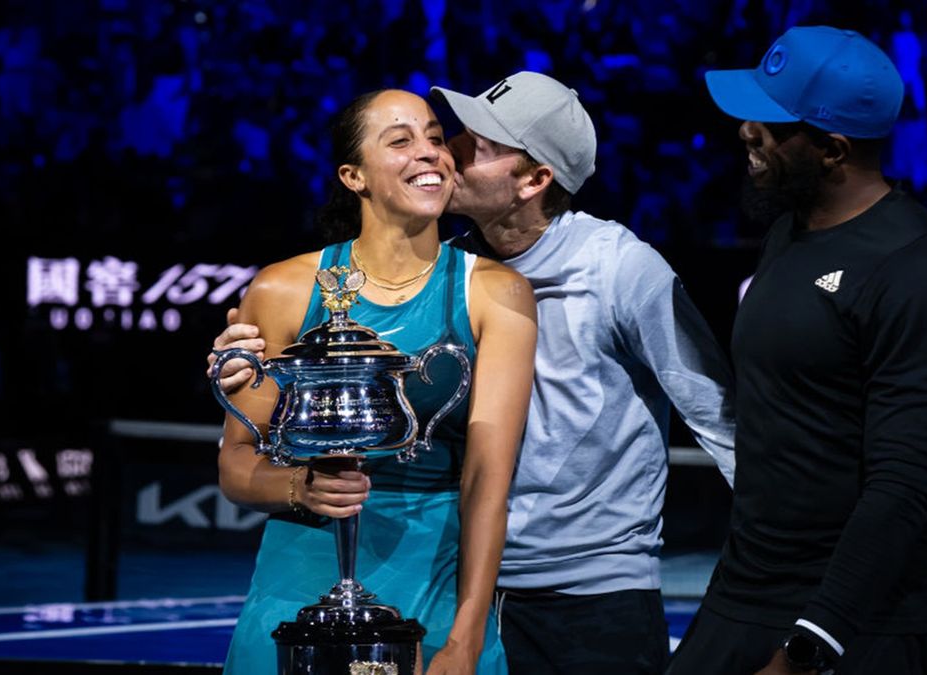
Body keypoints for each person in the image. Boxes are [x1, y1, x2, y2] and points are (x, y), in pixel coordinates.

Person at [211, 71, 736, 674]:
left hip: (578, 590)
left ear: (535, 181)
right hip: (422, 567)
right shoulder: (359, 271)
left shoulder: (607, 270)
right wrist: (283, 448)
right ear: (352, 176)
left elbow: (718, 417)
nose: (444, 152)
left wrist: (781, 579)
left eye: (464, 144)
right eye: (419, 139)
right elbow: (241, 454)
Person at [667, 26, 927, 675]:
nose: (746, 131)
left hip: (861, 627)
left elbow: (903, 489)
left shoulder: (919, 274)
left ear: (833, 149)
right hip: (745, 593)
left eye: (771, 123)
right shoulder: (789, 230)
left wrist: (809, 645)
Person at [215, 89, 536, 675]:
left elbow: (488, 479)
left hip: (436, 564)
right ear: (354, 176)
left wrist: (465, 636)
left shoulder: (495, 290)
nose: (431, 154)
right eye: (401, 141)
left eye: (437, 138)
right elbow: (236, 467)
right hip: (301, 566)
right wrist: (301, 488)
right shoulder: (282, 289)